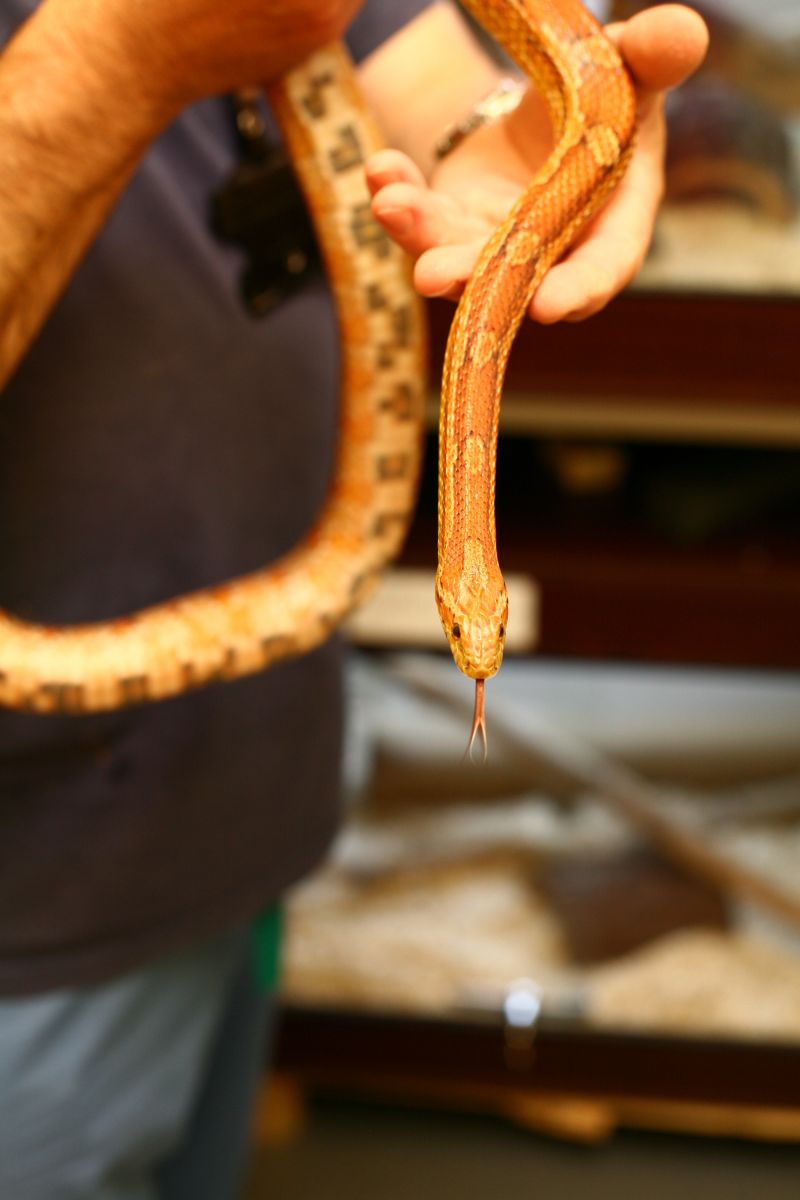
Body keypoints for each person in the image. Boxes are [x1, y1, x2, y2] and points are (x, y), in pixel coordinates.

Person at [0, 1, 708, 1197]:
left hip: (243, 802)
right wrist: (124, 58)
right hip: (30, 896)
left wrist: (519, 133)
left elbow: (398, 54)